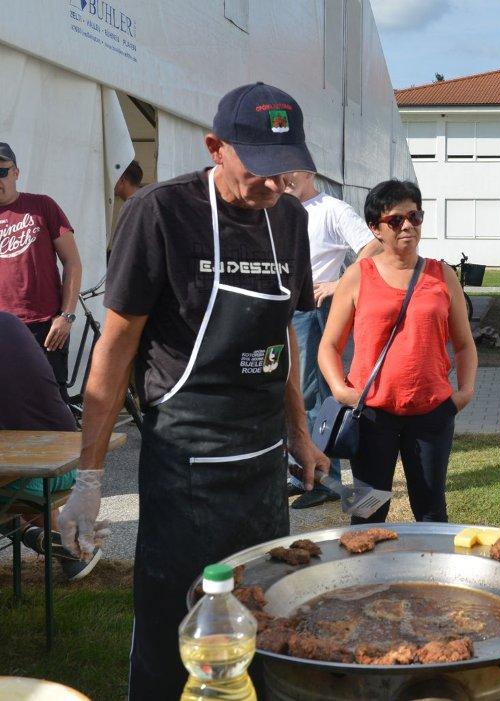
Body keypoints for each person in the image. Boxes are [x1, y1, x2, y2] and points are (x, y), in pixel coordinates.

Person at [58, 82, 330, 700]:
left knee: (261, 612)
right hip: (185, 462)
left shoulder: (288, 219)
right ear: (215, 147)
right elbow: (116, 348)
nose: (272, 185)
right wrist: (90, 480)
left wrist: (300, 433)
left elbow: (283, 333)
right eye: (259, 169)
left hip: (261, 464)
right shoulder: (160, 212)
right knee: (172, 625)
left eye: (284, 169)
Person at [319, 179, 477, 524]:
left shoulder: (442, 275)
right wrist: (340, 390)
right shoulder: (357, 276)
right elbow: (329, 345)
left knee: (431, 510)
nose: (408, 226)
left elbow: (465, 344)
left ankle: (430, 577)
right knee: (367, 513)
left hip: (432, 412)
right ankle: (367, 577)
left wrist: (464, 392)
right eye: (396, 220)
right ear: (375, 228)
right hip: (372, 414)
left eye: (415, 217)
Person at [283, 170, 382, 509]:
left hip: (312, 312)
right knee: (290, 391)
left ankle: (326, 479)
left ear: (310, 172)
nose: (284, 177)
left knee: (314, 395)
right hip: (283, 309)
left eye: (292, 170)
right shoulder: (278, 208)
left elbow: (372, 247)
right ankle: (301, 473)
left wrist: (338, 285)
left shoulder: (331, 209)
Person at [0, 312, 100, 581]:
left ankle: (31, 535)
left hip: (33, 475)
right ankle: (69, 550)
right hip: (66, 459)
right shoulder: (10, 322)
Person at [0, 141, 83, 403]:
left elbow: (72, 262)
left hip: (45, 326)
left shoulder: (42, 206)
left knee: (51, 405)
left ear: (16, 173)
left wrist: (66, 316)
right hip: (3, 328)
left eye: (2, 171)